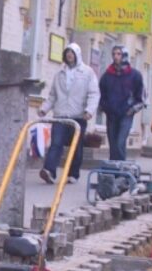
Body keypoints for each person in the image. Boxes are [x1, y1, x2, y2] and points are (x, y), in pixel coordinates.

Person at [38, 42, 99, 184]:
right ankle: (49, 171)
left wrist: (89, 111)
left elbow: (93, 93)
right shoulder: (60, 73)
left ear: (77, 54)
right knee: (56, 143)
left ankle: (73, 173)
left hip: (78, 116)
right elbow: (53, 95)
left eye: (72, 53)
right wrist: (44, 108)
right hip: (60, 115)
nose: (69, 55)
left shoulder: (87, 72)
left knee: (76, 146)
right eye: (67, 53)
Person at [98, 46, 144, 161]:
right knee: (113, 145)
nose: (115, 56)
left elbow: (141, 98)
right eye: (114, 54)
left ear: (124, 55)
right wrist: (104, 107)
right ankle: (114, 171)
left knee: (120, 142)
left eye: (118, 54)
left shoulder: (135, 75)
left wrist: (132, 109)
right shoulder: (107, 75)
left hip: (126, 114)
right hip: (111, 114)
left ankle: (120, 169)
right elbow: (101, 94)